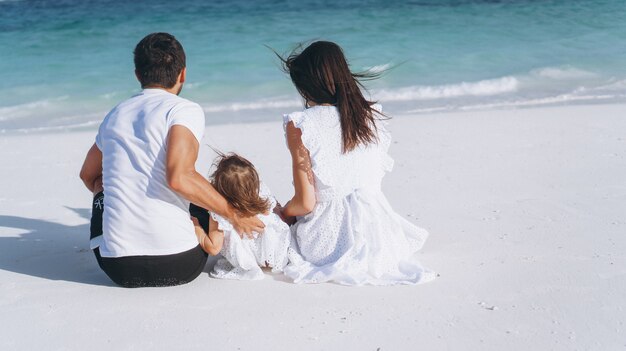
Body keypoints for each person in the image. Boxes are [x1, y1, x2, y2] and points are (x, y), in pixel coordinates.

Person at [79, 33, 264, 288]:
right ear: (183, 74)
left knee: (102, 184)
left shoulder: (116, 114)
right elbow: (179, 178)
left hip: (118, 268)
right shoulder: (183, 110)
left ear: (137, 75)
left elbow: (88, 175)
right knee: (199, 191)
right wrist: (233, 213)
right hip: (180, 264)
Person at [277, 41, 436, 285]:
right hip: (380, 234)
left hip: (327, 241)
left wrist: (284, 213)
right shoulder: (370, 117)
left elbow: (306, 203)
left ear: (307, 86)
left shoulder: (301, 125)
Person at [192, 153, 291, 280]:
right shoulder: (261, 194)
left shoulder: (218, 214)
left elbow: (213, 248)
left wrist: (196, 227)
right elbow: (273, 210)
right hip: (278, 253)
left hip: (248, 259)